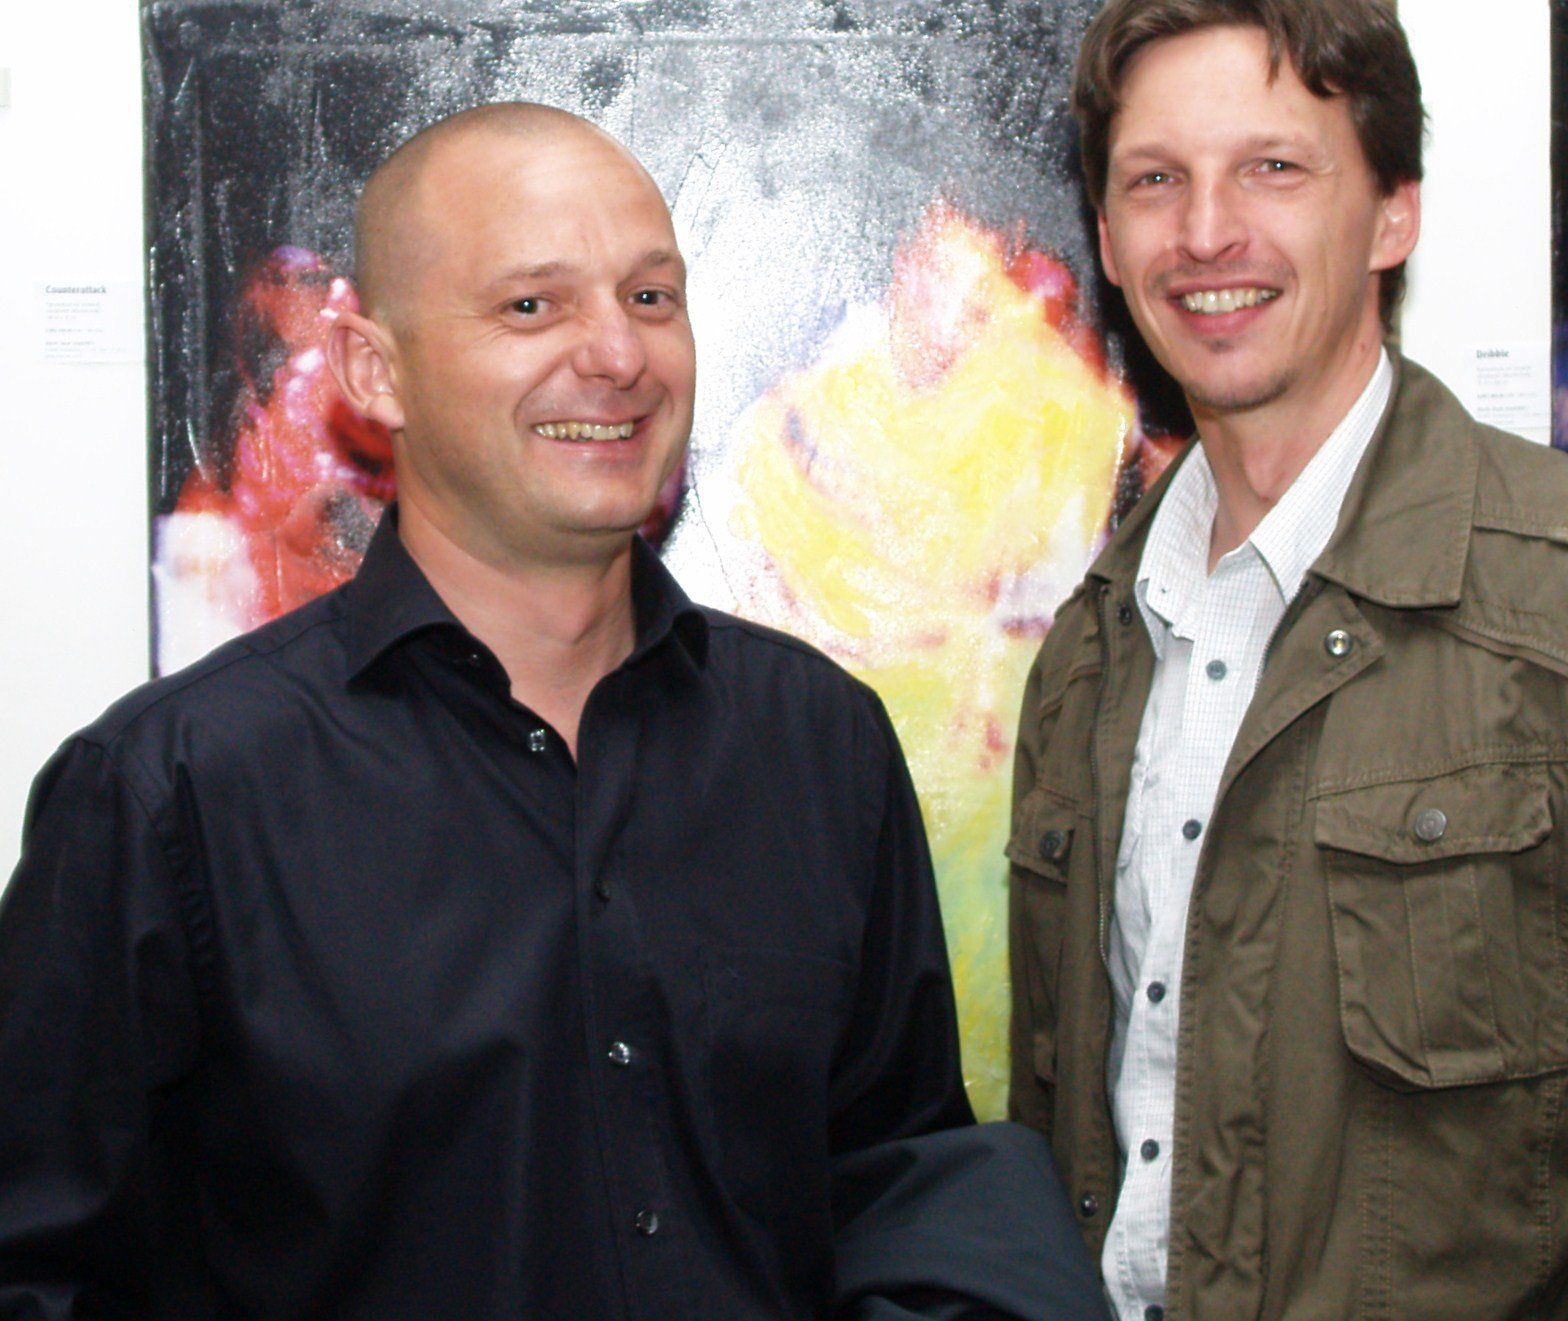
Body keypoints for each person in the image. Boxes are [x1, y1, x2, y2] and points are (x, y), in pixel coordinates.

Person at [0, 103, 1102, 1318]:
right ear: (374, 370)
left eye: (649, 296)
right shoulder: (172, 792)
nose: (618, 355)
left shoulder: (818, 743)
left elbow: (902, 1188)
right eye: (532, 305)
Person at [1006, 0, 1568, 1319]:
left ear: (1390, 214)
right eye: (1154, 180)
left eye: (1271, 169)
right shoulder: (1087, 655)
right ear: (1108, 243)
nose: (1205, 232)